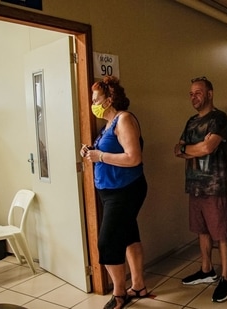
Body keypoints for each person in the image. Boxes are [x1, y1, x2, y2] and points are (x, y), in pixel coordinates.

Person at [80, 76, 148, 309]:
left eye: (96, 99)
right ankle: (138, 285)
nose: (93, 103)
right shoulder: (107, 125)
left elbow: (133, 157)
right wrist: (91, 151)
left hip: (126, 190)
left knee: (107, 242)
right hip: (109, 191)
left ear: (109, 100)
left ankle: (120, 293)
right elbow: (108, 150)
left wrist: (100, 156)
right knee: (129, 235)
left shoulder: (124, 119)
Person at [174, 76, 227, 303]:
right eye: (191, 93)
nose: (193, 97)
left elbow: (208, 147)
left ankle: (226, 278)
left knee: (222, 233)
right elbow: (177, 149)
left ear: (209, 93)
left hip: (214, 185)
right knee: (202, 230)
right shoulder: (191, 122)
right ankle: (207, 269)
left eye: (198, 92)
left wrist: (194, 149)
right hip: (194, 185)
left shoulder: (219, 119)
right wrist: (196, 149)